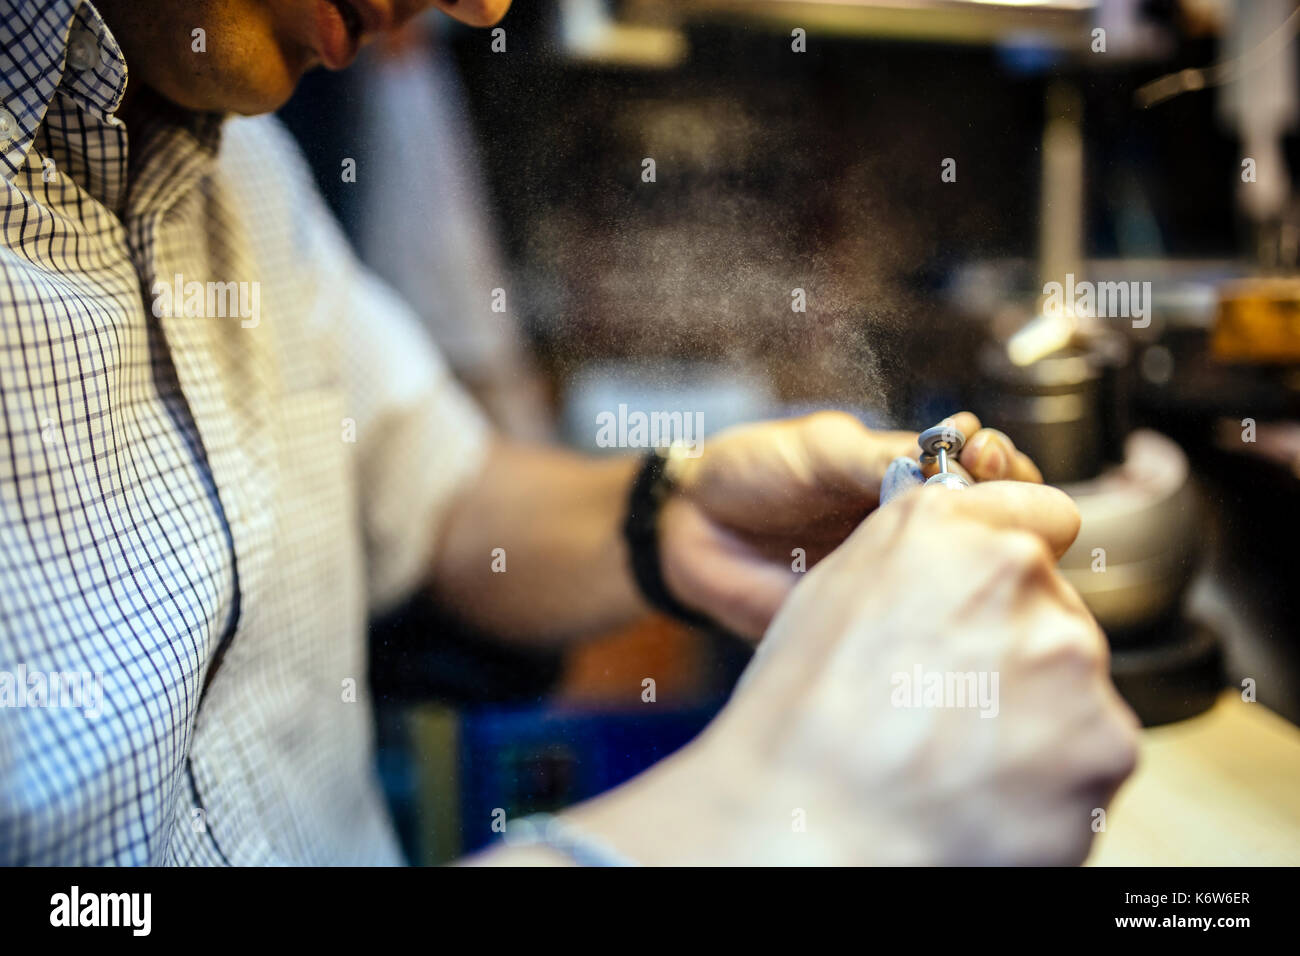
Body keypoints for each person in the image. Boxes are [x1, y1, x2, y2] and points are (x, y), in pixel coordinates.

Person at [0, 0, 1138, 865]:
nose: (486, 7)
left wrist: (669, 514)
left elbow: (437, 499)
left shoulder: (245, 165)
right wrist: (781, 807)